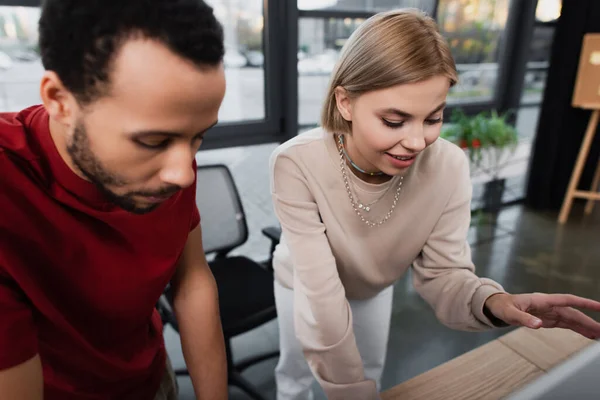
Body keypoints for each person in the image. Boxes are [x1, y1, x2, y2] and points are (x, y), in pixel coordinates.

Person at [269, 8, 600, 400]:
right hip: (303, 284)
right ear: (345, 103)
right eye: (394, 121)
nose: (416, 141)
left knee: (369, 371)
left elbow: (445, 274)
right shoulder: (296, 162)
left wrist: (492, 301)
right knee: (296, 378)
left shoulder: (448, 166)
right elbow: (321, 297)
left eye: (433, 118)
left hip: (374, 284)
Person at [0, 0, 228, 399]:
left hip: (150, 377)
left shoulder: (168, 164)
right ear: (60, 100)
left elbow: (191, 278)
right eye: (153, 141)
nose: (183, 173)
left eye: (198, 137)